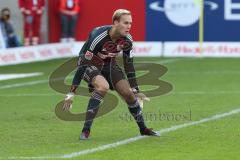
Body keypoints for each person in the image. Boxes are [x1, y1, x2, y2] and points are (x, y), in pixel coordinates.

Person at [63, 9, 158, 140]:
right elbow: (83, 63)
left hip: (109, 65)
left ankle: (143, 129)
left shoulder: (127, 40)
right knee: (103, 87)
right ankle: (86, 131)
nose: (129, 26)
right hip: (89, 64)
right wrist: (71, 93)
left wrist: (136, 90)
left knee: (129, 95)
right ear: (115, 22)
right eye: (125, 23)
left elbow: (129, 66)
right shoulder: (98, 37)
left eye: (130, 23)